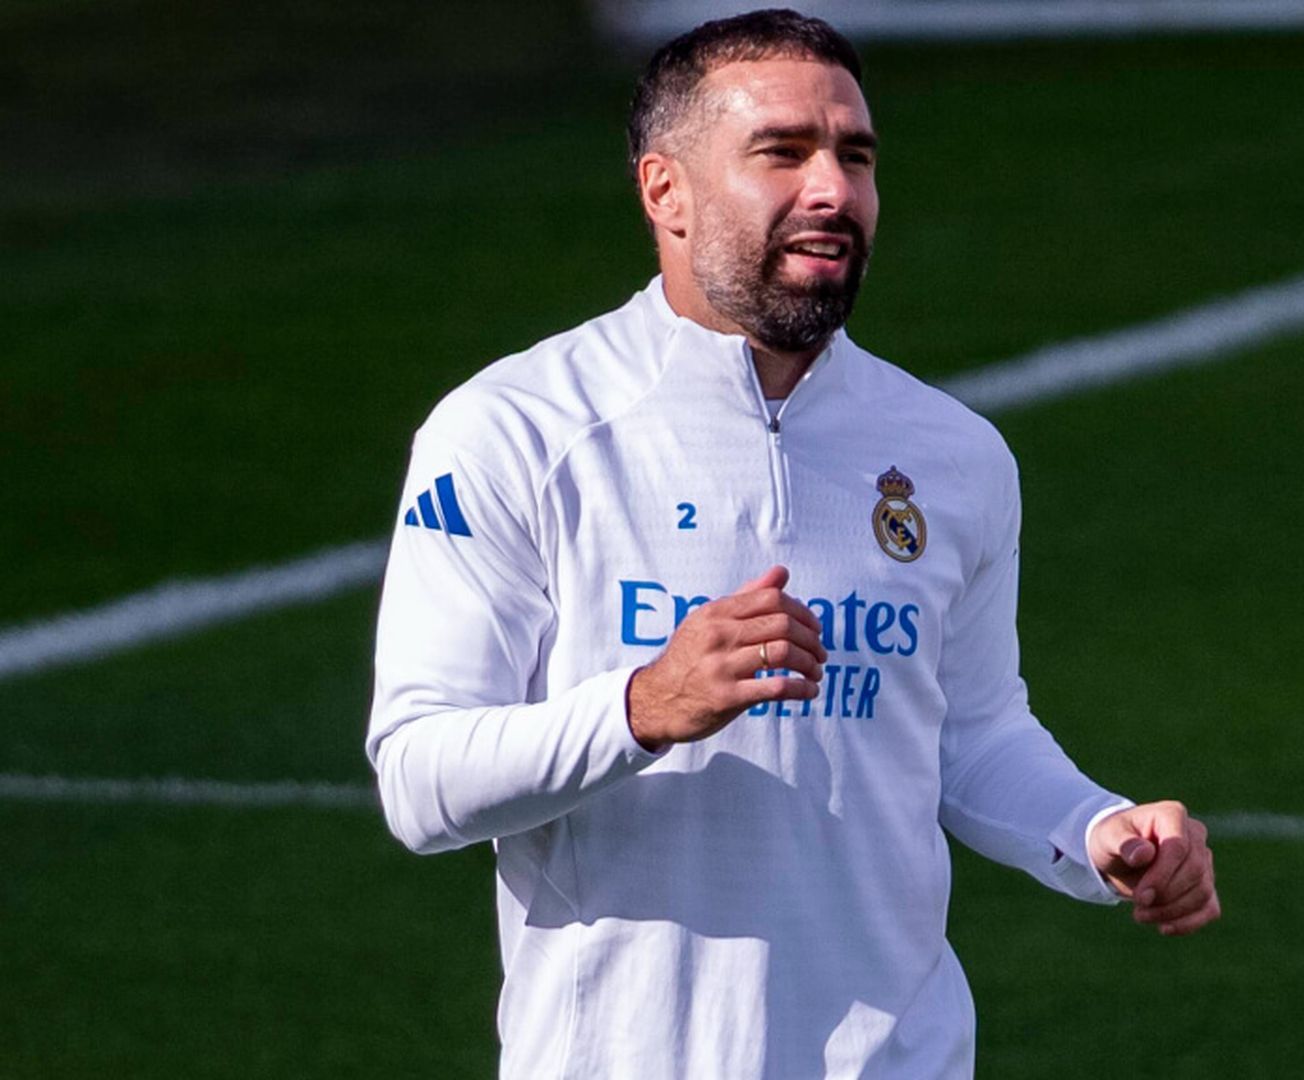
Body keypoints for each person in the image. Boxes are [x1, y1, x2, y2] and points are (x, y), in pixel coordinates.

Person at [366, 9, 1219, 1077]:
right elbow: (420, 779)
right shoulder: (517, 432)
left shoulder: (951, 455)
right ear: (664, 191)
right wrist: (644, 706)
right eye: (782, 152)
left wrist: (1102, 835)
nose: (833, 190)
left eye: (854, 156)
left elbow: (969, 734)